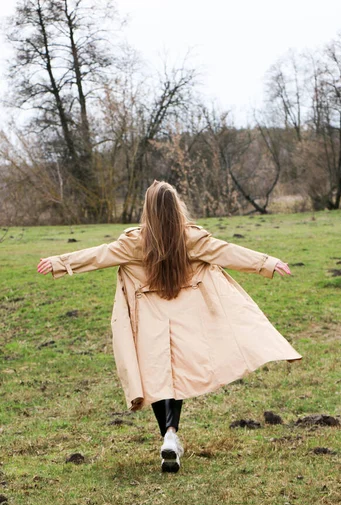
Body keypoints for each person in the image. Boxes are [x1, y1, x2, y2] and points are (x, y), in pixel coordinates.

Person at [37, 180, 302, 473]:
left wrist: (60, 262)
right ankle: (172, 432)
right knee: (176, 376)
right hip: (184, 316)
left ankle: (167, 436)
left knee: (157, 377)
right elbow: (225, 251)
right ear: (177, 207)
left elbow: (98, 255)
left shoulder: (134, 241)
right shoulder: (190, 238)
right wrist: (267, 262)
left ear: (147, 209)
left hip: (149, 319)